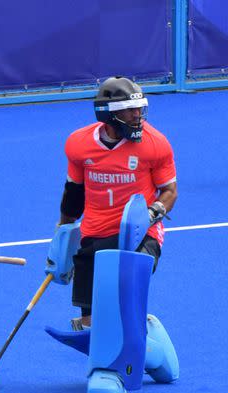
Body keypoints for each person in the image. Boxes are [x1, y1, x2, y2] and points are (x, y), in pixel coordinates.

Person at [57, 76, 177, 329]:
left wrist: (152, 212)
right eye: (130, 110)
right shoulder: (79, 144)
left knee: (129, 285)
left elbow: (169, 191)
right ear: (108, 113)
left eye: (140, 108)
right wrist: (62, 239)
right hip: (94, 234)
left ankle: (140, 338)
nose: (137, 115)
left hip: (141, 233)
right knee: (90, 323)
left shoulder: (156, 144)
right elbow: (74, 193)